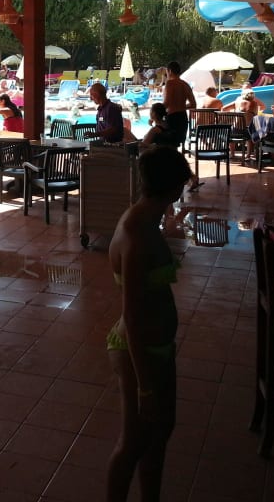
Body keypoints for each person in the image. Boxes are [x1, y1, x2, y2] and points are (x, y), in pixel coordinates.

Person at [107, 146, 193, 502]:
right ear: (172, 188)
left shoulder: (145, 219)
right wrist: (144, 386)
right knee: (134, 443)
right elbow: (132, 314)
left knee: (159, 433)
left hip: (154, 347)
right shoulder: (138, 233)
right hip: (138, 351)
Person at [161, 61, 196, 146]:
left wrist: (155, 113)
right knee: (176, 145)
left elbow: (166, 103)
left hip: (172, 118)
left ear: (169, 71)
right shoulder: (185, 84)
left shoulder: (170, 83)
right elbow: (193, 104)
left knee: (168, 146)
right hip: (183, 118)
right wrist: (181, 106)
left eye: (166, 72)